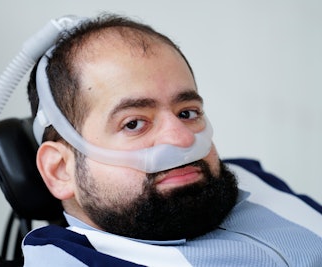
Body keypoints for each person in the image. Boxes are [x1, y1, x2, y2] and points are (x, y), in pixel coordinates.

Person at [23, 13, 322, 266]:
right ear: (60, 170)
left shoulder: (251, 179)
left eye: (187, 112)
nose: (181, 139)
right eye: (134, 123)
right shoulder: (70, 260)